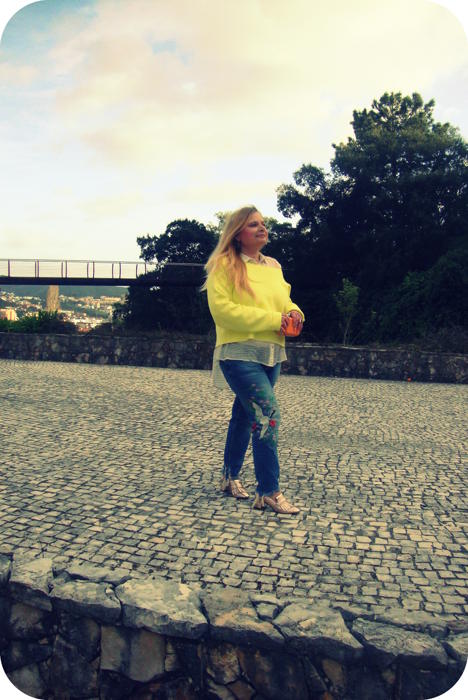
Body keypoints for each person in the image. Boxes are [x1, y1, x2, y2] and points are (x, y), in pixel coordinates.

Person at [201, 205, 305, 514]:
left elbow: (284, 300)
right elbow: (223, 311)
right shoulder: (223, 265)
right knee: (267, 414)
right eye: (252, 225)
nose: (261, 228)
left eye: (262, 223)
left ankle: (229, 476)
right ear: (237, 234)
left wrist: (295, 312)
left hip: (270, 353)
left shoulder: (273, 266)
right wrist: (274, 319)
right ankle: (269, 492)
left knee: (245, 416)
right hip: (238, 354)